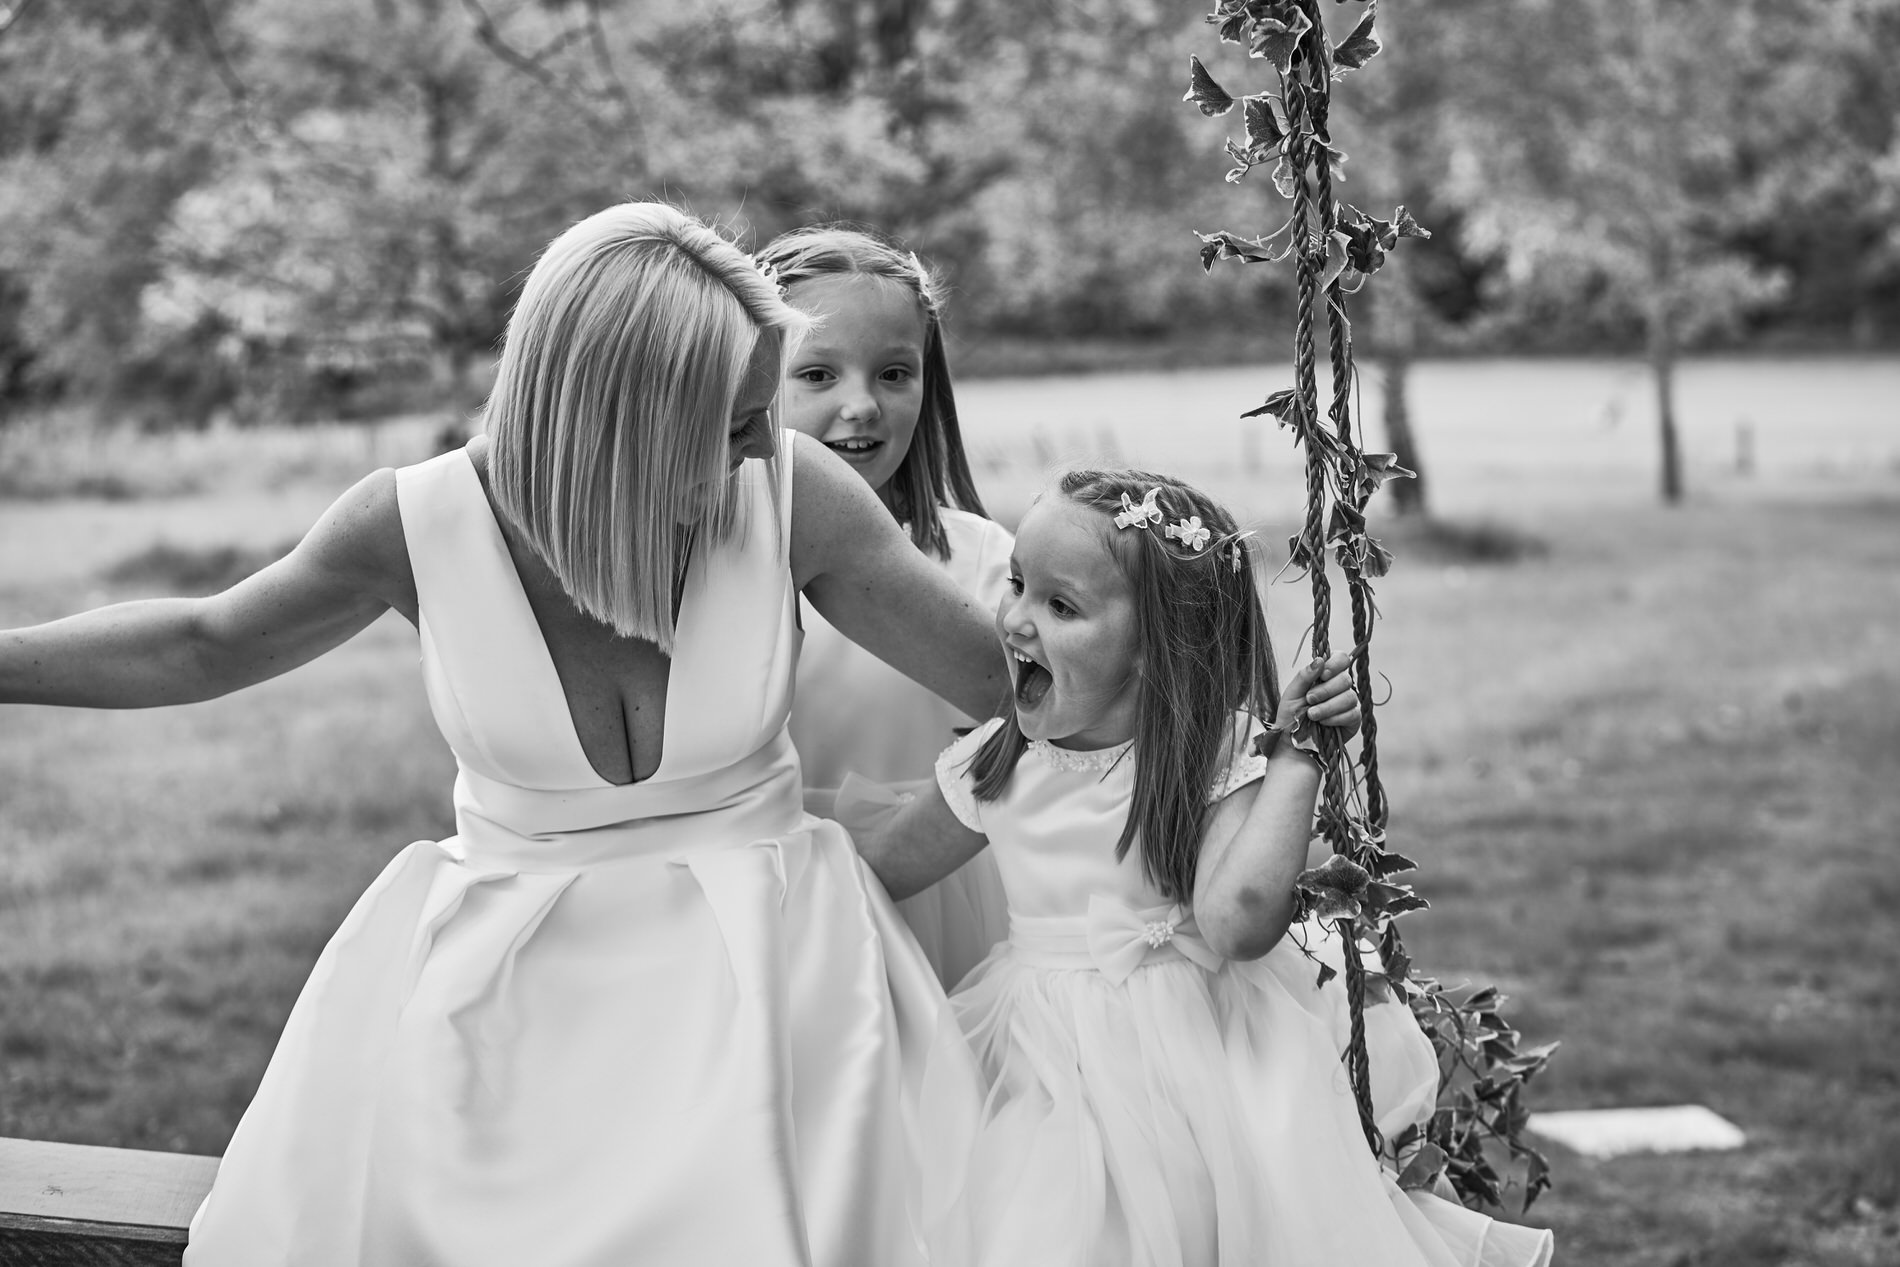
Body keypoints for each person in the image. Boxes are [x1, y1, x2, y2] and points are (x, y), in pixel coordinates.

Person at [0, 201, 1007, 1266]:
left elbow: (1026, 690)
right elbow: (202, 643)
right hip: (508, 1017)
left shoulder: (796, 497)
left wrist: (915, 835)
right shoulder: (415, 522)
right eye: (736, 418)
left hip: (787, 1006)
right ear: (622, 413)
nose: (768, 444)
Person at [851, 469, 1556, 1267]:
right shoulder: (997, 758)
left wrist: (1296, 760)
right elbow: (872, 868)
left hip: (1194, 1074)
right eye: (1017, 583)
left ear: (1155, 645)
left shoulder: (1212, 757)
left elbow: (1236, 920)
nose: (1014, 620)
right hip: (1038, 1070)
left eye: (1060, 605)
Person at [758, 224, 1013, 987]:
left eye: (894, 373)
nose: (861, 405)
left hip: (947, 889)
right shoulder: (714, 571)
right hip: (773, 900)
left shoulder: (983, 562)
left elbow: (1056, 725)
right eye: (817, 375)